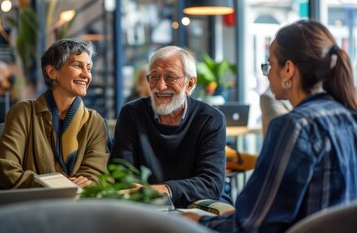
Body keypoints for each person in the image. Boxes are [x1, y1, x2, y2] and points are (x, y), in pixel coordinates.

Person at [181, 20, 357, 232]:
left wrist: (197, 221)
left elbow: (253, 227)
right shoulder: (349, 117)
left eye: (270, 65)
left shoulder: (295, 126)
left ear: (288, 70)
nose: (268, 73)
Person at [111, 45, 232, 208]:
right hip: (146, 204)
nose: (160, 86)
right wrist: (146, 194)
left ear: (190, 84)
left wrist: (166, 189)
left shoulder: (210, 119)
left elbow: (211, 184)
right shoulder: (132, 114)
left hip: (198, 204)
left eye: (170, 77)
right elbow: (120, 172)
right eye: (154, 77)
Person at [0, 39, 109, 189]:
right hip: (32, 206)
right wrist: (58, 185)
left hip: (79, 206)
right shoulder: (23, 112)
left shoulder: (95, 121)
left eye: (88, 68)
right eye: (77, 65)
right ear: (52, 72)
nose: (86, 75)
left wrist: (88, 182)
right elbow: (8, 171)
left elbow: (97, 175)